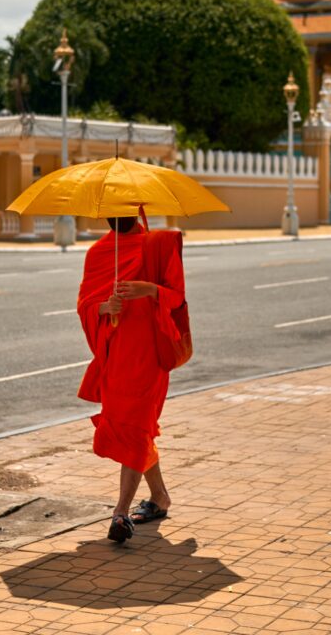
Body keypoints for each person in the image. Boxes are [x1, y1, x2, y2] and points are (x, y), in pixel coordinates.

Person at [76, 214, 191, 544]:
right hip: (115, 356)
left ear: (137, 207)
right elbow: (84, 304)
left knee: (136, 425)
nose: (117, 215)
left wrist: (150, 289)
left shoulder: (158, 246)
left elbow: (177, 297)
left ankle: (120, 513)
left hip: (149, 354)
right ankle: (159, 497)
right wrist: (103, 307)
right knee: (133, 427)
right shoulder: (99, 252)